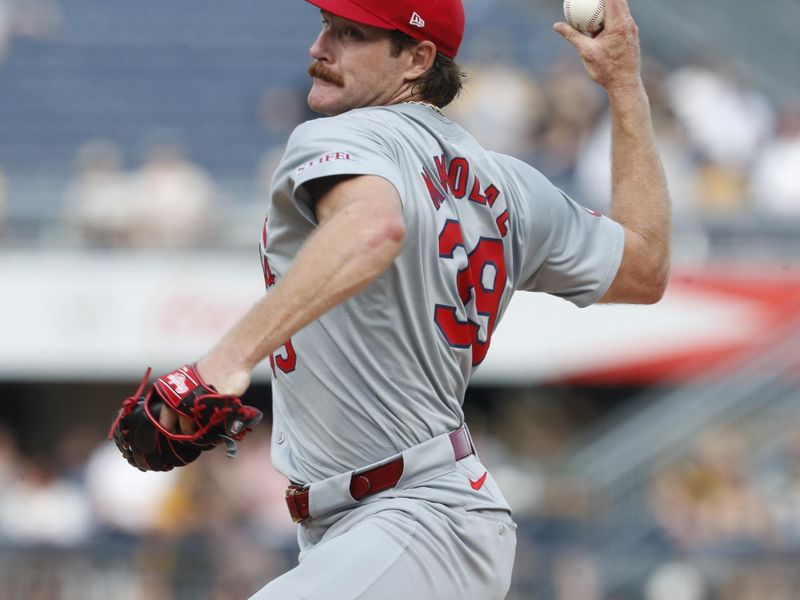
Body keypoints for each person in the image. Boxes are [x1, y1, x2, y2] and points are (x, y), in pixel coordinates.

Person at [156, 0, 670, 597]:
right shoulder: (510, 183)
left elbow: (373, 226)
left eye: (351, 33)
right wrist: (625, 87)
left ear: (418, 59)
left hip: (410, 519)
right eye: (325, 25)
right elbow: (645, 266)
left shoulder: (341, 134)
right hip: (413, 523)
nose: (319, 49)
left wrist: (220, 364)